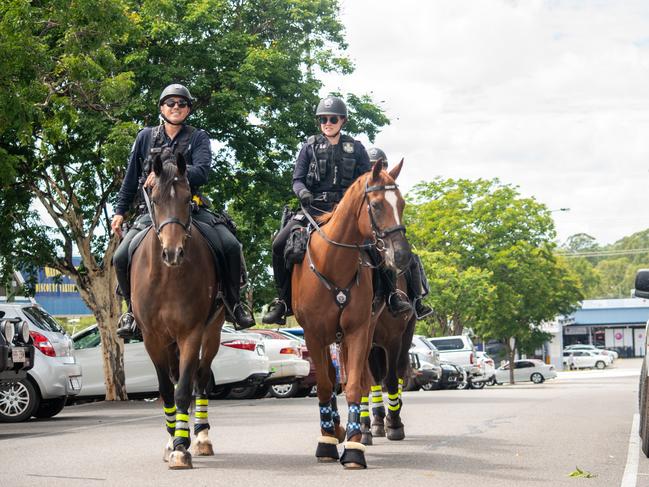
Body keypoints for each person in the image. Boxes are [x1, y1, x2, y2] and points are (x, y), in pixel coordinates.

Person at [111, 83, 255, 338]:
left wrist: (165, 172)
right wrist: (120, 211)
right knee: (121, 256)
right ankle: (131, 312)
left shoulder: (199, 137)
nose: (175, 107)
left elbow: (203, 171)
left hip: (190, 209)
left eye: (181, 104)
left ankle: (234, 303)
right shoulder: (145, 136)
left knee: (231, 245)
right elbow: (131, 178)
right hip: (153, 213)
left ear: (188, 109)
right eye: (170, 103)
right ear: (161, 108)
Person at [262, 96, 412, 325]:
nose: (327, 123)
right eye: (323, 119)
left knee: (378, 245)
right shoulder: (309, 146)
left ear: (343, 120)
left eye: (332, 119)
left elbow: (366, 181)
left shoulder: (357, 148)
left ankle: (391, 295)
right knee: (279, 243)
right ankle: (283, 301)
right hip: (313, 209)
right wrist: (302, 192)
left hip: (347, 212)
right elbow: (297, 180)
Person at [367, 147, 434, 320]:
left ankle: (417, 302)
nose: (378, 169)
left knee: (411, 258)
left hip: (385, 234)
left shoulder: (388, 188)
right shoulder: (362, 186)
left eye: (382, 166)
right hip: (364, 234)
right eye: (373, 166)